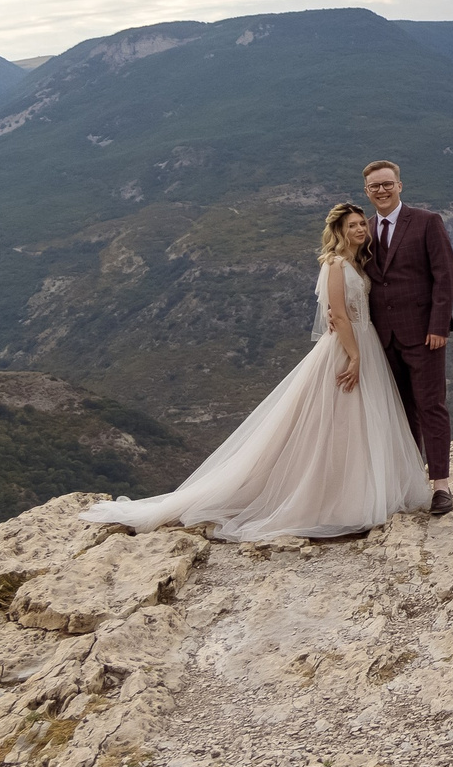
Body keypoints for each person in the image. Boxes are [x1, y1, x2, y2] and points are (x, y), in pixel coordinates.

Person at [81, 203, 430, 540]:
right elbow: (337, 314)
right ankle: (335, 501)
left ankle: (358, 492)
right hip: (347, 348)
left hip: (364, 341)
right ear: (338, 230)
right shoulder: (335, 264)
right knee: (337, 423)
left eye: (360, 224)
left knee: (358, 423)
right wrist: (354, 357)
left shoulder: (357, 261)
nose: (358, 229)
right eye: (351, 225)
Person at [359, 159, 453, 516]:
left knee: (431, 406)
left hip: (424, 334)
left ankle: (441, 487)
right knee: (401, 413)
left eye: (387, 184)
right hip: (383, 339)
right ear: (367, 192)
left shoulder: (427, 222)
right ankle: (411, 482)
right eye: (375, 187)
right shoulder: (364, 231)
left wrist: (438, 325)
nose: (382, 191)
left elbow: (444, 277)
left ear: (400, 186)